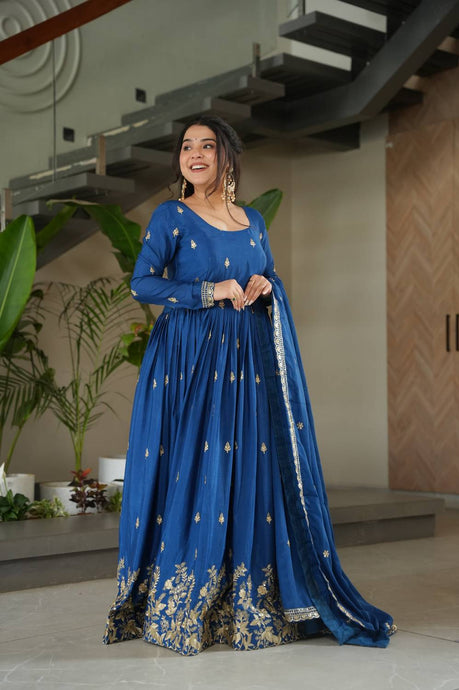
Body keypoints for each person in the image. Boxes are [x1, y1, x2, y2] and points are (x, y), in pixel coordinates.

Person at [103, 115, 396, 655]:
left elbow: (268, 275)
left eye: (207, 146)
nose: (195, 155)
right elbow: (142, 283)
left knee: (250, 471)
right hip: (191, 364)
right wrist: (209, 291)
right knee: (199, 470)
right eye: (186, 146)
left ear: (227, 156)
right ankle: (190, 599)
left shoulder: (253, 220)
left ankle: (249, 600)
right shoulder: (172, 216)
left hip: (250, 362)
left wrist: (266, 283)